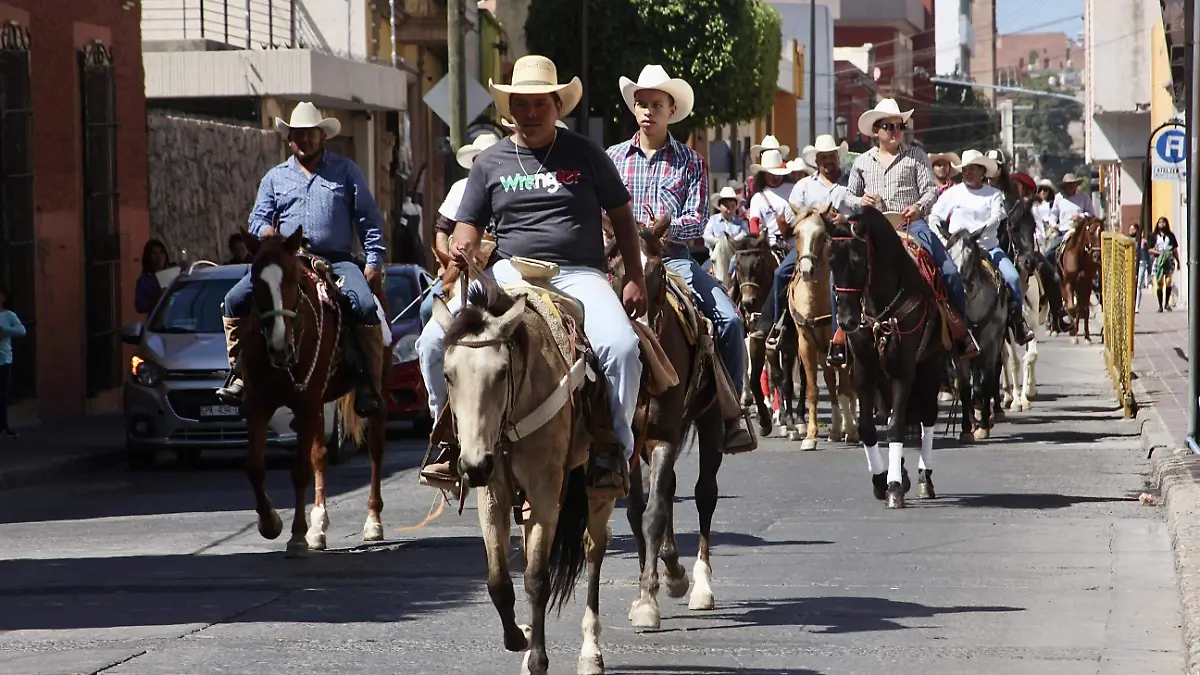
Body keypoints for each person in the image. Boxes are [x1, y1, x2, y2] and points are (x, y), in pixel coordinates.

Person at [418, 55, 646, 494]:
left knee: (621, 348)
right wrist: (464, 249)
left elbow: (621, 216)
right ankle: (447, 440)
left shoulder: (586, 154)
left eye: (540, 103)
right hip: (507, 273)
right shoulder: (490, 163)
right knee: (431, 343)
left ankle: (612, 449)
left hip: (578, 273)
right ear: (510, 109)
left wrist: (633, 276)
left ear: (558, 104)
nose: (531, 113)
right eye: (521, 104)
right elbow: (467, 226)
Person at [606, 64, 754, 451]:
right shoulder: (612, 158)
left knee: (730, 320)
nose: (647, 111)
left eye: (656, 104)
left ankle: (731, 411)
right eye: (641, 103)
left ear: (671, 110)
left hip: (673, 260)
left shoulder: (690, 161)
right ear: (634, 109)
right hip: (619, 262)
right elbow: (598, 211)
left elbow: (698, 217)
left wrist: (666, 229)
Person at [215, 101, 387, 418]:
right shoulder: (275, 178)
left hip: (336, 260)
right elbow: (257, 219)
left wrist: (373, 260)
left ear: (323, 136)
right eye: (298, 135)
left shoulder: (346, 172)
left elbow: (368, 218)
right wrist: (264, 229)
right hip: (287, 259)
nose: (304, 140)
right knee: (234, 299)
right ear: (290, 139)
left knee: (362, 305)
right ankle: (239, 372)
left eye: (310, 134)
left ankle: (368, 383)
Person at [839, 98, 978, 358]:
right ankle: (841, 336)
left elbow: (930, 191)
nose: (895, 131)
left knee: (949, 271)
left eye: (899, 126)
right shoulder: (862, 163)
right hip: (874, 230)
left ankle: (961, 334)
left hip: (911, 224)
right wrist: (860, 200)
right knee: (845, 274)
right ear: (877, 131)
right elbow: (847, 197)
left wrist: (918, 207)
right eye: (889, 126)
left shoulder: (916, 156)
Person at [928, 150, 1035, 345]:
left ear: (982, 172)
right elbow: (934, 217)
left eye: (973, 169)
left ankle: (1018, 322)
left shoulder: (994, 195)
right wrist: (945, 241)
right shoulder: (953, 193)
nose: (968, 173)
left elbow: (997, 217)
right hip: (957, 250)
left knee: (1011, 277)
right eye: (966, 169)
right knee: (933, 278)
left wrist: (978, 230)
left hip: (988, 248)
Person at [765, 135, 853, 354]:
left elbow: (860, 212)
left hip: (842, 245)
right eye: (822, 157)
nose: (827, 161)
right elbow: (791, 215)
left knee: (846, 280)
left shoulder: (849, 184)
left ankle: (842, 335)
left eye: (830, 156)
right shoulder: (803, 186)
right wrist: (814, 217)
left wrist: (843, 219)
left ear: (837, 157)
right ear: (816, 160)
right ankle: (780, 325)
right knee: (779, 274)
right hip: (808, 244)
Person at [419, 132, 501, 326]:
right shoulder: (460, 188)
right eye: (480, 159)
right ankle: (430, 353)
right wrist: (445, 264)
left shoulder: (506, 186)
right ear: (474, 162)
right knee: (426, 308)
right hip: (462, 262)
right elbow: (443, 229)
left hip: (497, 263)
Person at [1043, 173, 1096, 261]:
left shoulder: (1084, 197)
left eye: (1072, 184)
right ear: (1064, 186)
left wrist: (1080, 216)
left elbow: (1091, 213)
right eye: (1068, 185)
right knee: (1049, 253)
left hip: (1081, 231)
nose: (1071, 187)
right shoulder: (1059, 197)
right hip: (1064, 232)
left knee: (1095, 251)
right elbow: (1054, 214)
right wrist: (1053, 224)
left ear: (1076, 185)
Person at [703, 185, 749, 274]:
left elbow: (745, 235)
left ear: (736, 207)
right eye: (726, 206)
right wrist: (721, 242)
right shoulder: (712, 220)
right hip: (716, 257)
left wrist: (732, 242)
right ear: (719, 207)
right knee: (701, 274)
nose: (729, 210)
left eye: (732, 206)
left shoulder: (741, 223)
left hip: (735, 257)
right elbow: (707, 236)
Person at [0, 285, 25, 437]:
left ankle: (4, 425)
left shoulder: (8, 315)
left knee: (2, 393)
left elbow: (22, 331)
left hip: (3, 359)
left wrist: (4, 331)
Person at [1149, 216, 1181, 312]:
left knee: (1168, 281)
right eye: (1160, 223)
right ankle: (1160, 305)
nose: (1161, 224)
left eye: (1163, 223)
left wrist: (1178, 261)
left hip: (1169, 259)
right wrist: (1158, 253)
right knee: (1159, 283)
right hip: (1158, 260)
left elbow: (1175, 250)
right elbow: (1150, 249)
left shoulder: (1171, 236)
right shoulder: (1154, 236)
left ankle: (1167, 303)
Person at [135, 239, 172, 316]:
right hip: (158, 323)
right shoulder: (144, 281)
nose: (159, 257)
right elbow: (140, 307)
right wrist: (157, 296)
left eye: (161, 253)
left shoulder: (174, 273)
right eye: (155, 254)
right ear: (148, 257)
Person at [1032, 179, 1056, 250]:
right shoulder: (1033, 204)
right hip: (1037, 228)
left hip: (1049, 228)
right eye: (1040, 190)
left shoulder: (1052, 204)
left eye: (1045, 190)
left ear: (1049, 192)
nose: (1042, 192)